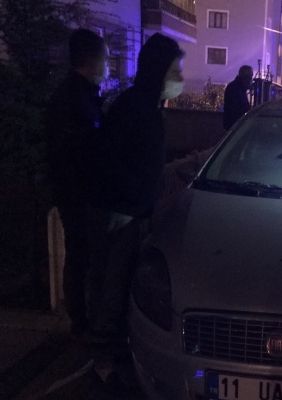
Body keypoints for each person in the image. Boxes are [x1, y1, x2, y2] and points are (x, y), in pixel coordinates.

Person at [85, 33, 184, 392]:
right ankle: (102, 365)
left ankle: (115, 354)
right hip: (120, 216)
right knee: (110, 290)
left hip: (134, 213)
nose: (180, 77)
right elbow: (112, 164)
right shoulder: (133, 109)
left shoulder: (149, 107)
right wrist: (127, 206)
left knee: (124, 287)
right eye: (175, 70)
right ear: (158, 71)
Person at [45, 29, 108, 341]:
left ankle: (82, 321)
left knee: (80, 256)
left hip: (76, 193)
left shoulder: (77, 95)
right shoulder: (74, 99)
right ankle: (81, 323)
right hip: (78, 195)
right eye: (104, 60)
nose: (107, 66)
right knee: (81, 257)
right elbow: (79, 153)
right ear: (90, 60)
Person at [223, 65, 253, 130]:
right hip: (234, 125)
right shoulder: (235, 88)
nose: (251, 78)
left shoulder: (237, 87)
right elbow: (238, 108)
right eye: (250, 76)